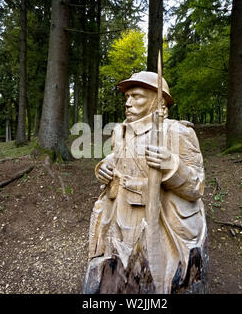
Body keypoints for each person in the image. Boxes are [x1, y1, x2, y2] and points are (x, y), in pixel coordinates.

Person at [84, 71, 207, 294]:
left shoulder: (178, 132)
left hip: (160, 229)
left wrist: (171, 166)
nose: (128, 103)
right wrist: (103, 166)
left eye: (137, 96)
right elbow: (118, 159)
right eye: (127, 97)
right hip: (121, 224)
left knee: (160, 284)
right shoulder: (120, 132)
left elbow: (197, 186)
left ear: (157, 99)